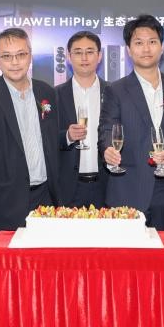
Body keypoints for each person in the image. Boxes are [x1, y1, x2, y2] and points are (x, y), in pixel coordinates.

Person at [100, 15, 164, 230]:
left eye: (152, 42)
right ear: (129, 50)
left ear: (162, 47)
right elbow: (107, 129)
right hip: (128, 190)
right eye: (138, 43)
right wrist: (108, 150)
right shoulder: (116, 90)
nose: (146, 48)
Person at [0, 28, 60, 231]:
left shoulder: (47, 92)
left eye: (21, 55)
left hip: (47, 199)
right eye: (7, 56)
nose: (15, 62)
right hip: (5, 203)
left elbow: (52, 140)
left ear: (30, 56)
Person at [56, 30, 109, 208]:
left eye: (90, 52)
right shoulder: (55, 95)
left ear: (99, 56)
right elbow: (46, 139)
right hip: (69, 187)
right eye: (78, 52)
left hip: (107, 184)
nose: (84, 58)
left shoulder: (114, 92)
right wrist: (67, 136)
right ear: (69, 57)